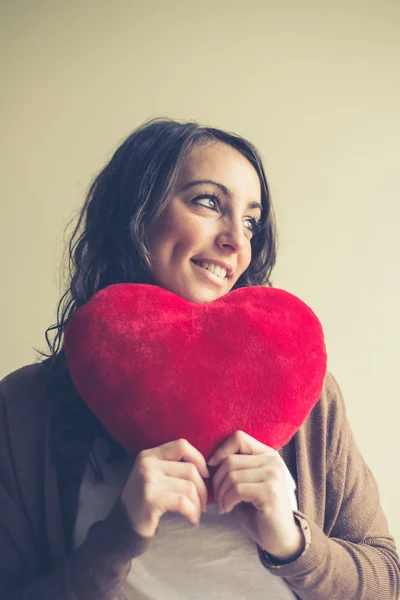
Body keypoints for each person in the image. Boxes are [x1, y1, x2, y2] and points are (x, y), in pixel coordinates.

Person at [0, 118, 399, 600]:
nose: (238, 240)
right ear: (136, 211)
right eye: (209, 202)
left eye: (251, 220)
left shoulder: (306, 392)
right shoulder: (25, 407)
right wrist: (118, 535)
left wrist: (292, 541)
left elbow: (387, 580)